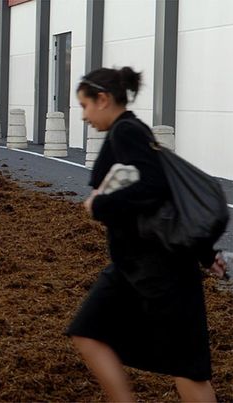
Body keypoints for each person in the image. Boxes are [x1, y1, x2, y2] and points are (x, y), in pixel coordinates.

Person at [66, 66, 228, 402]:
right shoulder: (131, 131)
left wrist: (101, 205)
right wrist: (205, 253)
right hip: (134, 268)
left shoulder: (127, 132)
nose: (83, 116)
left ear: (103, 99)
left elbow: (154, 187)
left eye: (84, 106)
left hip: (160, 271)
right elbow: (165, 203)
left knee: (188, 370)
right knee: (87, 332)